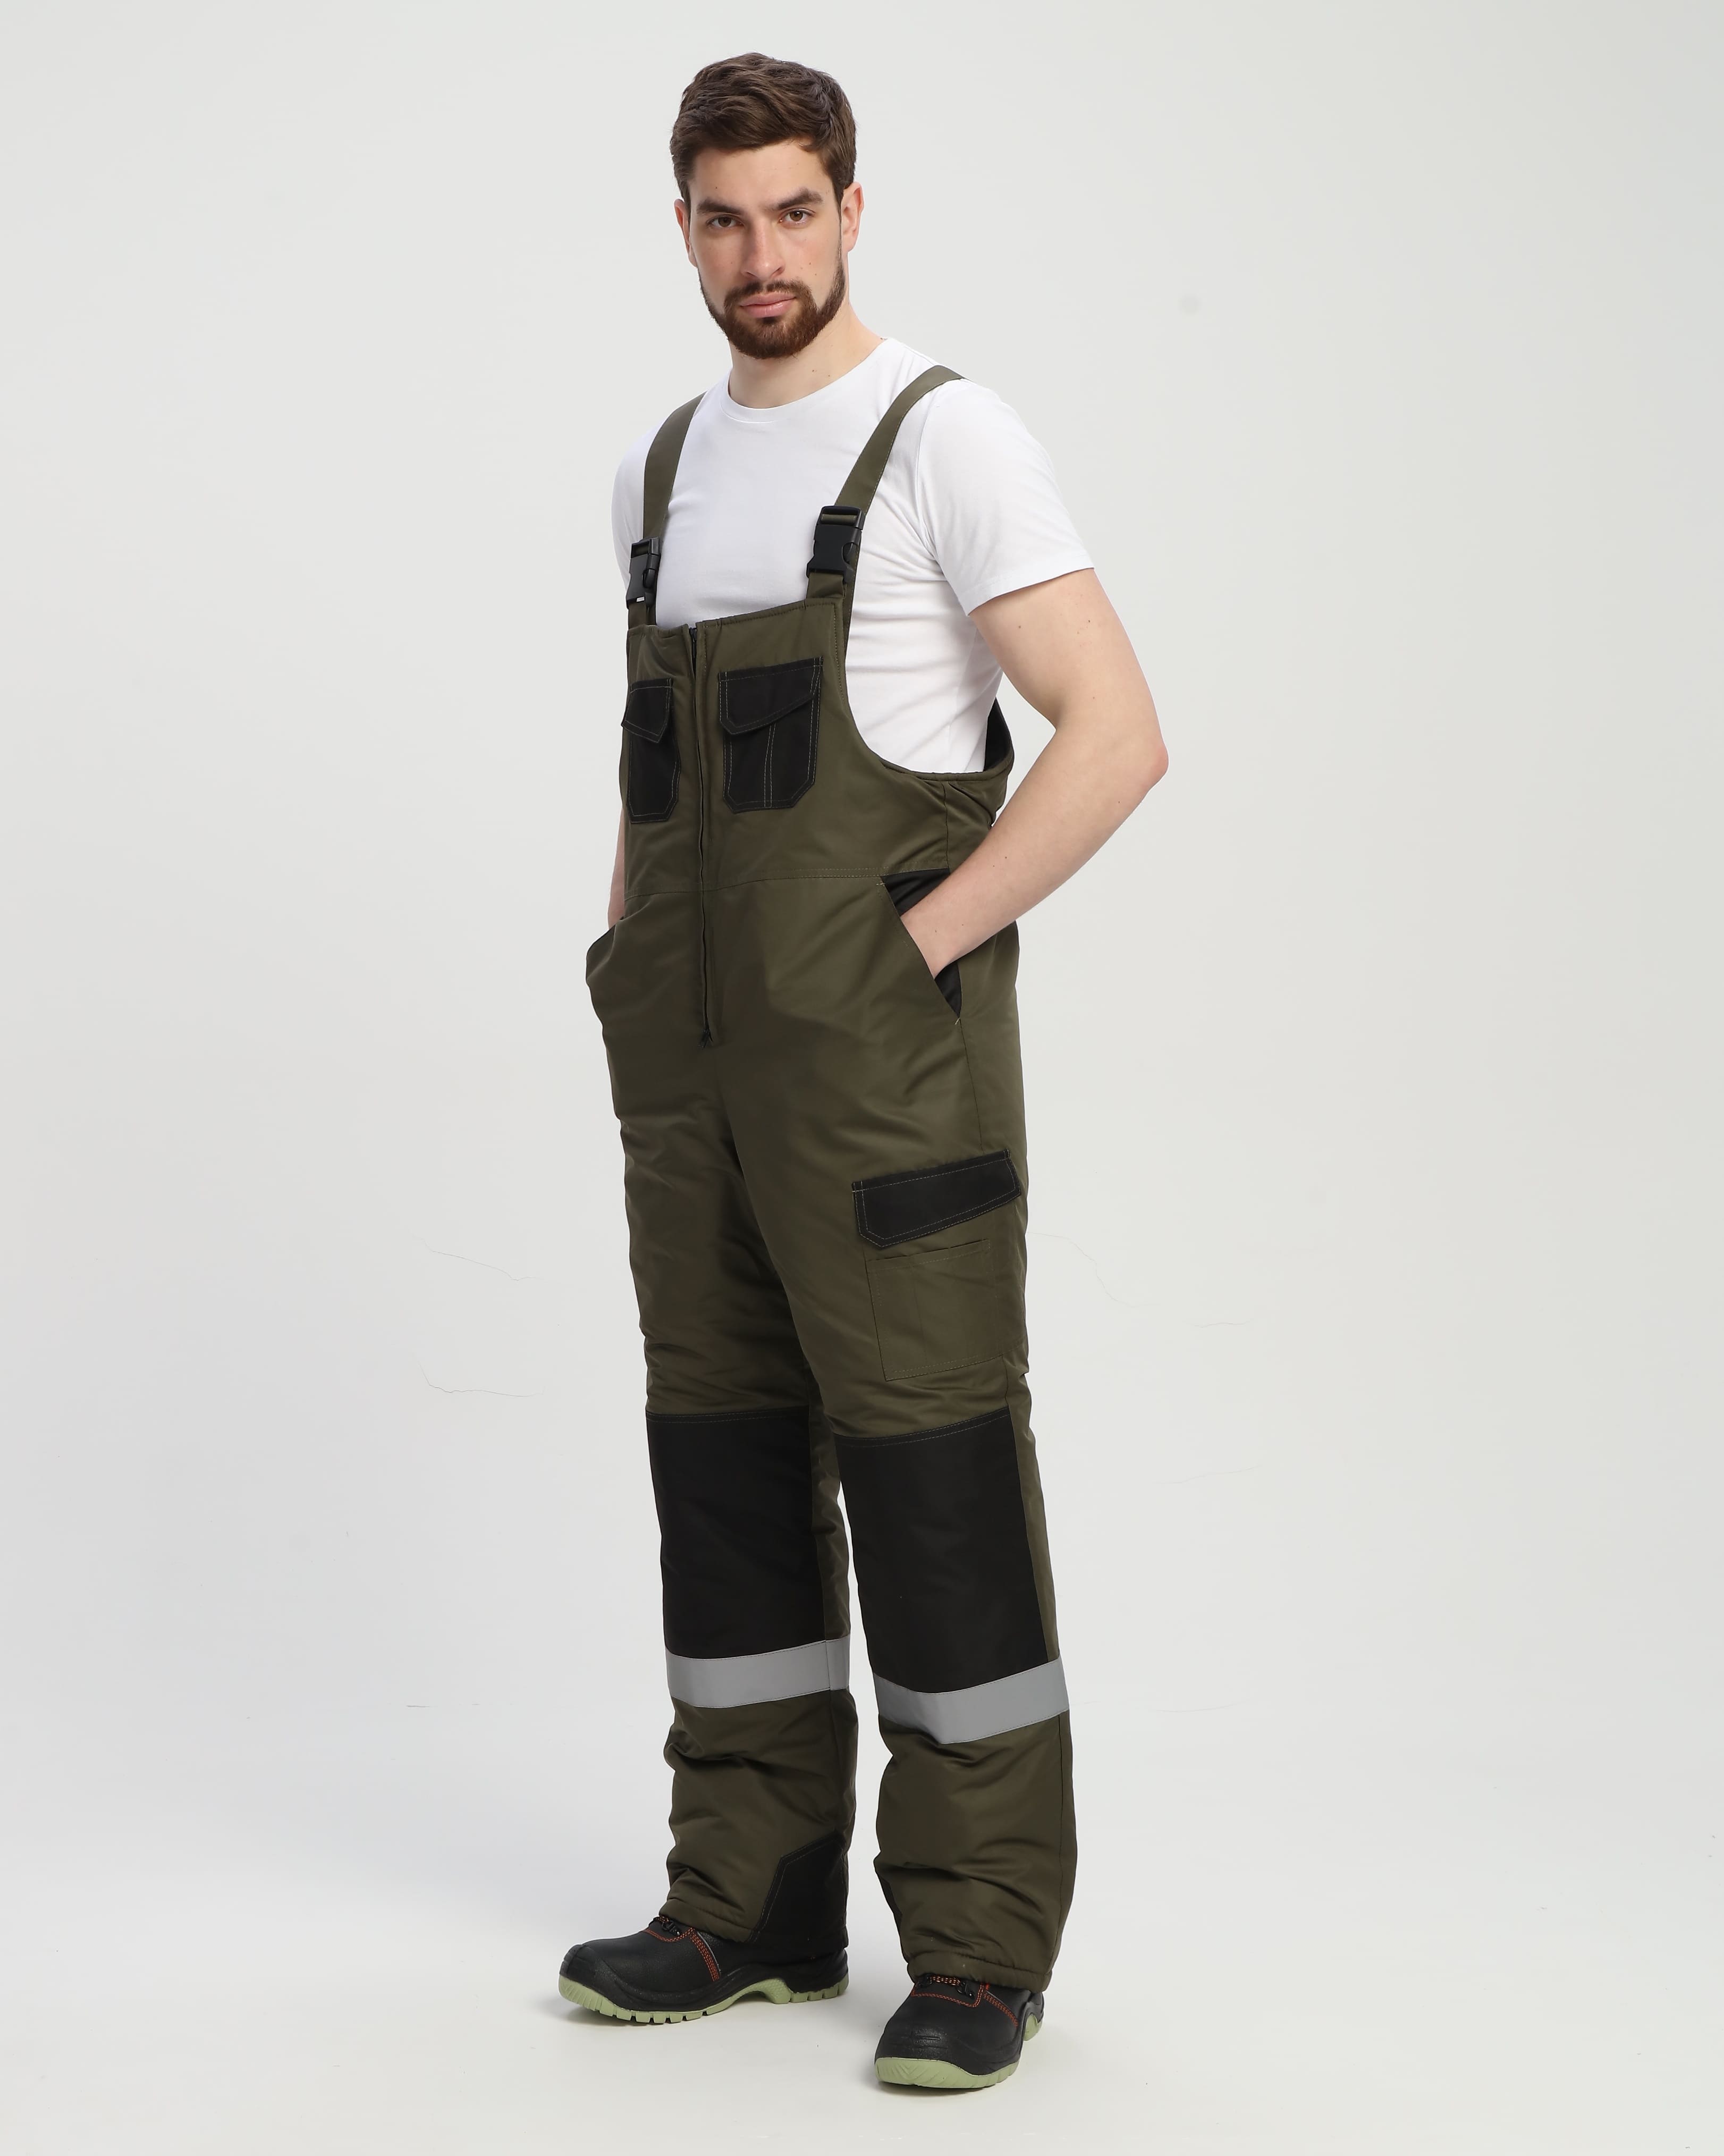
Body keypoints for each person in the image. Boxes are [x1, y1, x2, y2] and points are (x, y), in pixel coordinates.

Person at [559, 52, 1166, 2092]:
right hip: (690, 1088)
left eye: (795, 211)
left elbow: (1112, 734)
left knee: (930, 1482)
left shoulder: (942, 438)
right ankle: (744, 1905)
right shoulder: (657, 474)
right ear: (682, 227)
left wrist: (906, 951)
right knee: (722, 1475)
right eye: (725, 218)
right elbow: (650, 774)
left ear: (848, 209)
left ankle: (979, 1951)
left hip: (887, 1086)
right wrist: (626, 957)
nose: (763, 254)